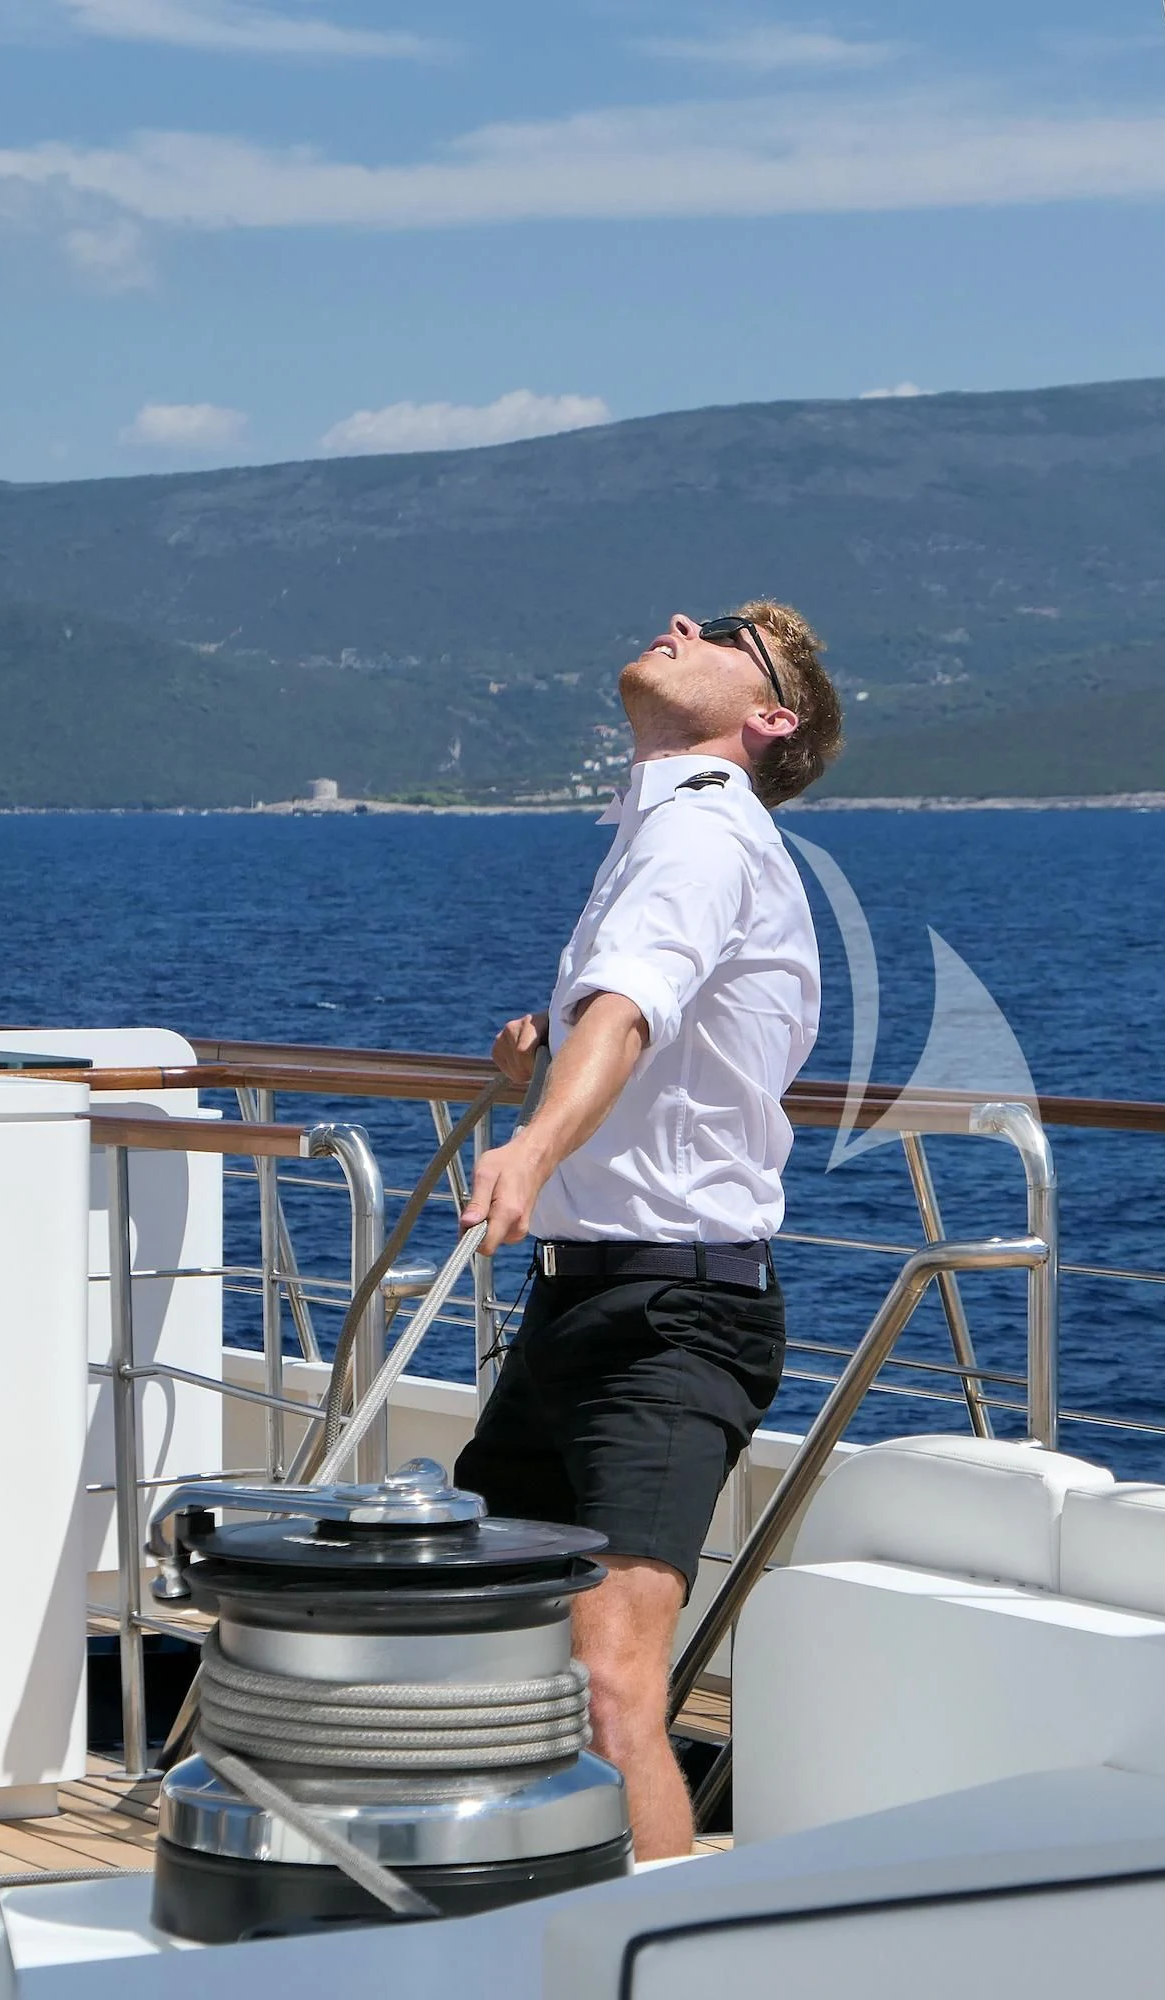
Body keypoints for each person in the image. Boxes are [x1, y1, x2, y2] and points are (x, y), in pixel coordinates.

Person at [453, 602, 841, 1859]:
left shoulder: (702, 833)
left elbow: (630, 1008)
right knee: (499, 1650)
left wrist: (534, 1141)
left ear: (764, 717)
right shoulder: (659, 833)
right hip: (583, 1303)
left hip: (672, 1319)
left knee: (616, 1682)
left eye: (723, 630)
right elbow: (633, 1035)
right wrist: (546, 1067)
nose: (680, 620)